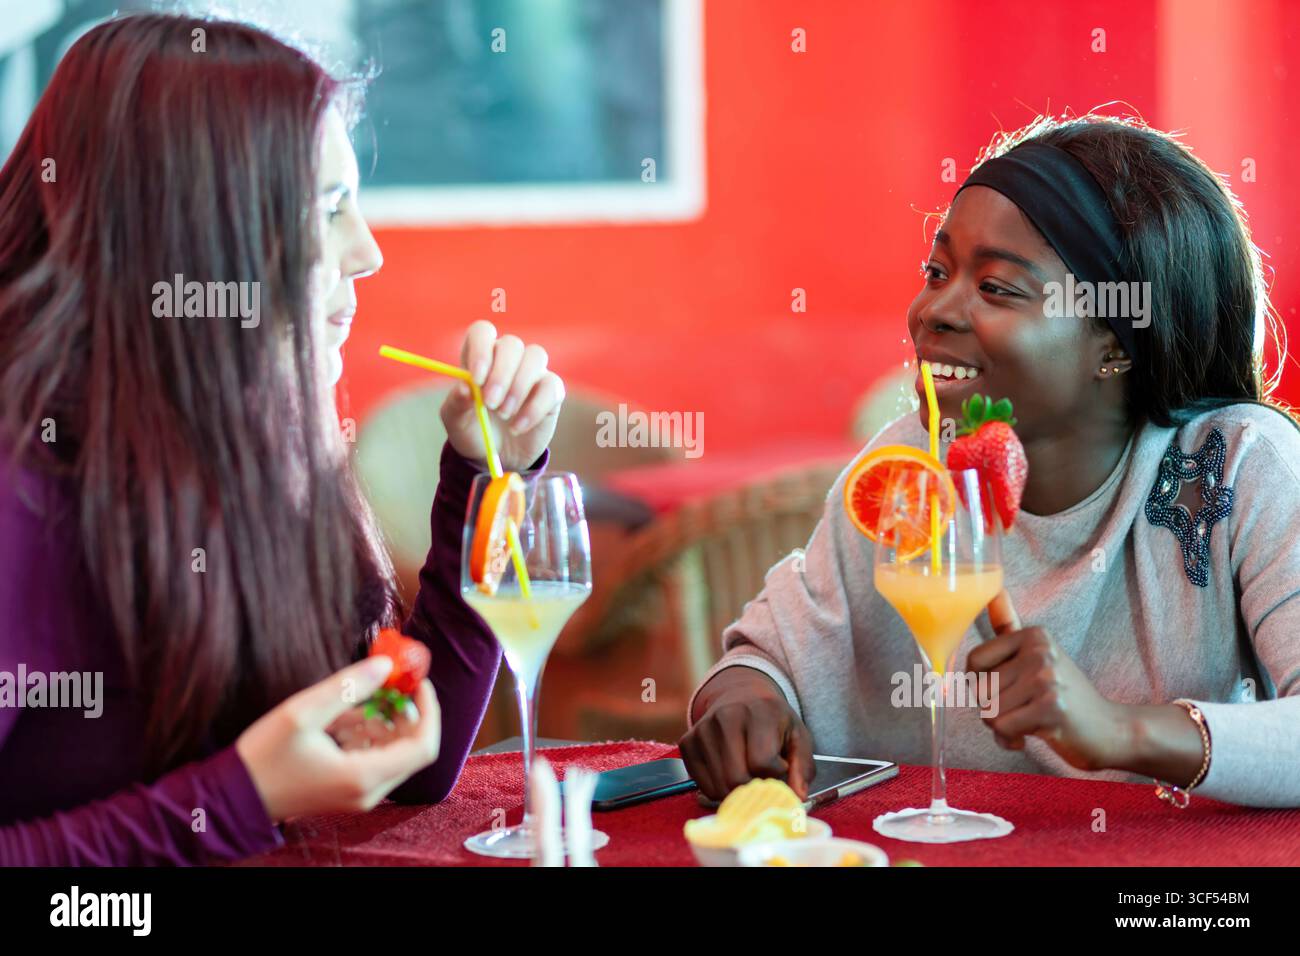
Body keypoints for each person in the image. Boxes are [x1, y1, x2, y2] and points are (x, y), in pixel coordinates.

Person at [0, 13, 564, 864]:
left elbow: (406, 758)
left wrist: (488, 475)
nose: (367, 252)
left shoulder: (244, 447)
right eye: (327, 208)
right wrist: (244, 795)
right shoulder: (19, 491)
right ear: (193, 234)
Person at [681, 114, 1300, 809]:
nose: (930, 312)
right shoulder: (910, 471)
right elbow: (764, 657)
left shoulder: (1237, 466)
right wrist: (742, 701)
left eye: (997, 287)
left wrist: (1120, 731)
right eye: (936, 272)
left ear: (1116, 342)